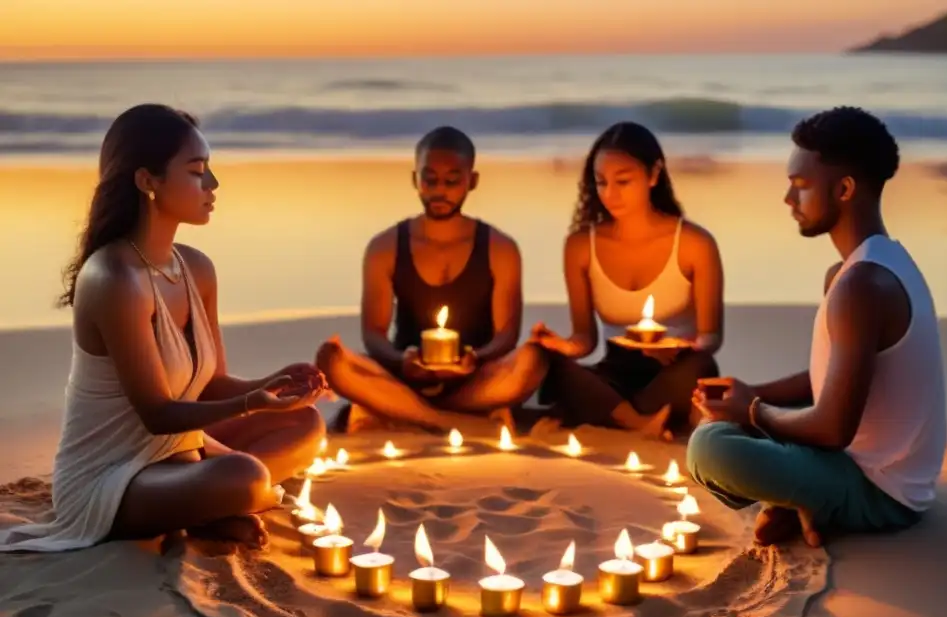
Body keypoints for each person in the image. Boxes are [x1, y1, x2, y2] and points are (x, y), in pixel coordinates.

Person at [0, 104, 326, 553]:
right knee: (245, 476)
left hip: (183, 450)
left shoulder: (196, 268)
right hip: (111, 476)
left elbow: (211, 385)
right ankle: (217, 502)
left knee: (305, 424)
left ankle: (210, 505)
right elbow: (157, 414)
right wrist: (252, 404)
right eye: (197, 172)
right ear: (147, 180)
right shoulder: (113, 277)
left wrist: (275, 387)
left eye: (209, 170)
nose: (213, 185)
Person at [687, 106, 946, 548]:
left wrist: (752, 413)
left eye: (800, 185)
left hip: (881, 492)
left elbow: (832, 430)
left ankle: (812, 500)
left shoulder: (863, 286)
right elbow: (829, 382)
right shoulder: (863, 267)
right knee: (723, 424)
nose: (789, 200)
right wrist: (752, 393)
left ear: (844, 188)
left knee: (710, 448)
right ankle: (802, 500)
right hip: (854, 463)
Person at [316, 126, 546, 432]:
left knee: (535, 359)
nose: (440, 190)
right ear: (415, 179)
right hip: (406, 376)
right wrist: (401, 360)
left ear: (472, 181)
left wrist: (475, 358)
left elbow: (506, 335)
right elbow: (373, 333)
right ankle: (445, 420)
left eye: (452, 181)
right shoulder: (385, 247)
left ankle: (404, 412)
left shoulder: (499, 248)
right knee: (331, 359)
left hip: (475, 379)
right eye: (430, 179)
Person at [529, 122, 724, 438]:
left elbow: (711, 337)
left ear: (654, 174)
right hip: (614, 374)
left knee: (701, 368)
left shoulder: (694, 243)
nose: (610, 194)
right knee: (554, 367)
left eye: (623, 181)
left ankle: (616, 416)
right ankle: (639, 422)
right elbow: (585, 340)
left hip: (673, 369)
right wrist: (557, 345)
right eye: (601, 182)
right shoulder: (580, 246)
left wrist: (678, 346)